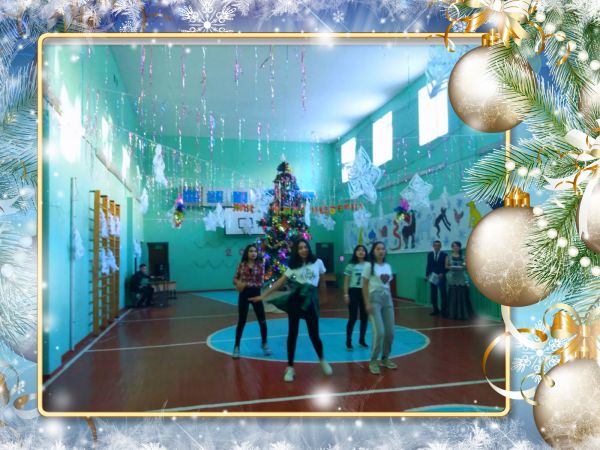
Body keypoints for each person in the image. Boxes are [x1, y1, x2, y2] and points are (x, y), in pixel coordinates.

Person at [251, 238, 332, 382]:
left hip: (310, 302)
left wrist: (324, 295)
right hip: (296, 301)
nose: (303, 250)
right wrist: (263, 296)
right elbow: (279, 282)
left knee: (314, 334)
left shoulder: (317, 262)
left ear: (308, 248)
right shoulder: (293, 267)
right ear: (296, 251)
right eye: (300, 248)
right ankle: (290, 367)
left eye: (305, 247)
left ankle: (322, 360)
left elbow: (323, 279)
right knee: (292, 334)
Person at [362, 241, 397, 375]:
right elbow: (364, 285)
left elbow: (387, 284)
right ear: (373, 251)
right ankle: (373, 361)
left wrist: (390, 299)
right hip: (374, 299)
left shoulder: (388, 266)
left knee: (390, 332)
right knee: (379, 332)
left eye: (383, 249)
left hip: (387, 299)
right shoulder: (368, 266)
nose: (381, 251)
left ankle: (385, 358)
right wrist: (367, 303)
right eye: (378, 249)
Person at [232, 244, 271, 359]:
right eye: (250, 251)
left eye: (255, 251)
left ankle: (264, 343)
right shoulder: (241, 265)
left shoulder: (261, 265)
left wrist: (245, 284)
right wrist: (237, 283)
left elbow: (260, 283)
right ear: (247, 253)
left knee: (262, 320)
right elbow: (235, 278)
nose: (253, 253)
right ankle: (236, 347)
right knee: (241, 321)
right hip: (243, 295)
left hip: (256, 296)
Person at [343, 245, 369, 350]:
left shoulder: (368, 265)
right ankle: (348, 341)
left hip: (365, 292)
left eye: (363, 250)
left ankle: (362, 340)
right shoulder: (351, 265)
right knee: (353, 317)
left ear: (366, 253)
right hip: (353, 291)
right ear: (355, 252)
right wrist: (346, 294)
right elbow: (346, 281)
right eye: (358, 250)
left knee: (364, 317)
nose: (361, 252)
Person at [445, 241, 474, 320]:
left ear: (459, 247)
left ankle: (463, 314)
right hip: (452, 278)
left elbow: (466, 266)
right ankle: (452, 313)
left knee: (462, 295)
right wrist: (452, 267)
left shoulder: (463, 256)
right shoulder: (449, 256)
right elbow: (446, 266)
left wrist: (462, 267)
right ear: (452, 247)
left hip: (461, 278)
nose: (455, 248)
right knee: (453, 296)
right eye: (454, 246)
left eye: (457, 246)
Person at [425, 240, 448, 317]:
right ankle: (435, 310)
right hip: (433, 276)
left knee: (443, 294)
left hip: (441, 277)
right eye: (435, 245)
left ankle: (444, 311)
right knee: (433, 294)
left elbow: (446, 266)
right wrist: (427, 275)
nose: (437, 247)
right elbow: (428, 265)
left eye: (438, 245)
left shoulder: (444, 255)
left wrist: (443, 273)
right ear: (433, 246)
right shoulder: (430, 255)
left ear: (440, 246)